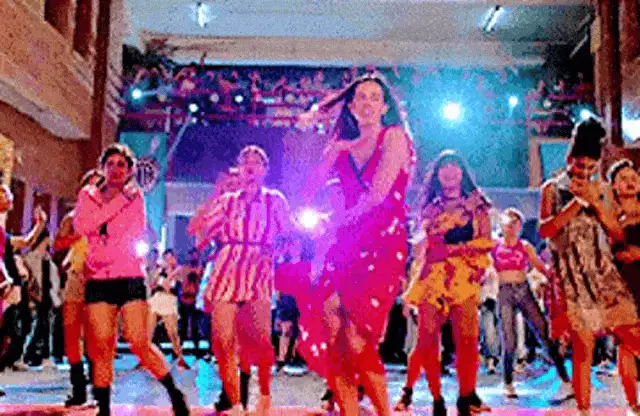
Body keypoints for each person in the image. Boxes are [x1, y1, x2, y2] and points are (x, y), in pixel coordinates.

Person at [297, 72, 414, 416]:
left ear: (385, 107)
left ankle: (383, 412)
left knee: (357, 337)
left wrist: (335, 224)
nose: (367, 103)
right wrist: (325, 145)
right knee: (334, 331)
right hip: (344, 243)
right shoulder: (341, 146)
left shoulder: (394, 137)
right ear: (349, 106)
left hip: (382, 240)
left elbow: (377, 196)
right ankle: (349, 410)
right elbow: (309, 191)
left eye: (375, 97)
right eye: (360, 97)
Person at [73, 144, 189, 416]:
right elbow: (82, 226)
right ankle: (103, 408)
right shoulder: (88, 194)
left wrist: (101, 223)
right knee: (102, 346)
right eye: (110, 164)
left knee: (138, 342)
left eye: (121, 165)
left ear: (129, 171)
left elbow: (132, 233)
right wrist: (114, 207)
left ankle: (174, 392)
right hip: (99, 278)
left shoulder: (136, 197)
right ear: (102, 167)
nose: (115, 169)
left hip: (129, 276)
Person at [539, 118, 640, 415]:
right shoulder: (552, 189)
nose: (584, 172)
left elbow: (617, 233)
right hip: (571, 276)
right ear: (569, 159)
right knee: (582, 347)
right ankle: (584, 411)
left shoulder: (604, 190)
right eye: (580, 166)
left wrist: (596, 203)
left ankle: (634, 404)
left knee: (632, 332)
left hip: (604, 271)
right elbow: (545, 230)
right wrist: (576, 204)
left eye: (591, 167)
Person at [193, 145, 290, 416]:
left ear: (264, 169)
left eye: (256, 161)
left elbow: (290, 236)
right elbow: (201, 233)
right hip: (228, 266)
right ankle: (235, 403)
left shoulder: (274, 200)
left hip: (259, 268)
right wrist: (215, 195)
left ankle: (265, 394)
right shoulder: (227, 201)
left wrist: (276, 251)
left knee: (260, 339)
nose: (250, 165)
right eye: (245, 160)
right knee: (222, 340)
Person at [400, 150, 492, 416]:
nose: (449, 172)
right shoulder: (432, 207)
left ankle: (466, 397)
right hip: (432, 277)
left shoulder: (479, 205)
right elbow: (428, 238)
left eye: (454, 166)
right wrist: (461, 215)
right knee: (427, 340)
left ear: (462, 172)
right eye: (444, 167)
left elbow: (486, 242)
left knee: (468, 341)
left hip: (464, 277)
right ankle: (436, 398)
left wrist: (456, 249)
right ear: (437, 175)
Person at [491, 208, 572, 400]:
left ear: (520, 227)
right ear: (503, 225)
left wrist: (555, 280)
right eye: (509, 223)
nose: (512, 227)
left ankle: (565, 379)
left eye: (516, 224)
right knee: (508, 339)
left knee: (543, 332)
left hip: (523, 289)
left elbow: (540, 266)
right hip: (505, 292)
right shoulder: (495, 245)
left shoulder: (525, 246)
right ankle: (508, 382)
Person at [57, 168, 103, 407]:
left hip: (100, 278)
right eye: (91, 185)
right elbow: (58, 243)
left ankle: (98, 390)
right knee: (72, 333)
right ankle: (78, 389)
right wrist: (76, 235)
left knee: (96, 336)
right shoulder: (72, 217)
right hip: (76, 276)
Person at [0, 186, 47, 373]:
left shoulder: (2, 233)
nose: (8, 196)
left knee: (10, 330)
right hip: (5, 284)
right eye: (3, 192)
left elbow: (25, 241)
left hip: (6, 286)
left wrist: (40, 224)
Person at [608, 159, 640, 411]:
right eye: (623, 178)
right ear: (614, 185)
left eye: (634, 177)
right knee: (626, 344)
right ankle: (632, 405)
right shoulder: (609, 216)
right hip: (620, 286)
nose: (630, 182)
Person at [22, 229, 62, 368]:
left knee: (46, 329)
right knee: (33, 329)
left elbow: (53, 280)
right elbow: (29, 279)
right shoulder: (30, 258)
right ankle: (27, 356)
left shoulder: (48, 259)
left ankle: (45, 356)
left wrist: (56, 297)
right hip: (35, 298)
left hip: (47, 298)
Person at [148, 249, 190, 369]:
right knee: (148, 332)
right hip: (157, 299)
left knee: (172, 333)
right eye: (165, 258)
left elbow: (168, 283)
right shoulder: (160, 270)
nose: (167, 260)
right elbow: (152, 285)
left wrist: (166, 273)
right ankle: (145, 359)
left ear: (174, 258)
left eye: (170, 258)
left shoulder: (179, 269)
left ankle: (180, 358)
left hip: (169, 300)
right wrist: (158, 273)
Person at [179, 248, 203, 358]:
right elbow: (180, 282)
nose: (193, 257)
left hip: (195, 300)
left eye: (195, 255)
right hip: (184, 299)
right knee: (183, 325)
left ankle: (197, 350)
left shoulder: (201, 269)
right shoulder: (184, 269)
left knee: (195, 326)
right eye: (191, 255)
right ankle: (179, 349)